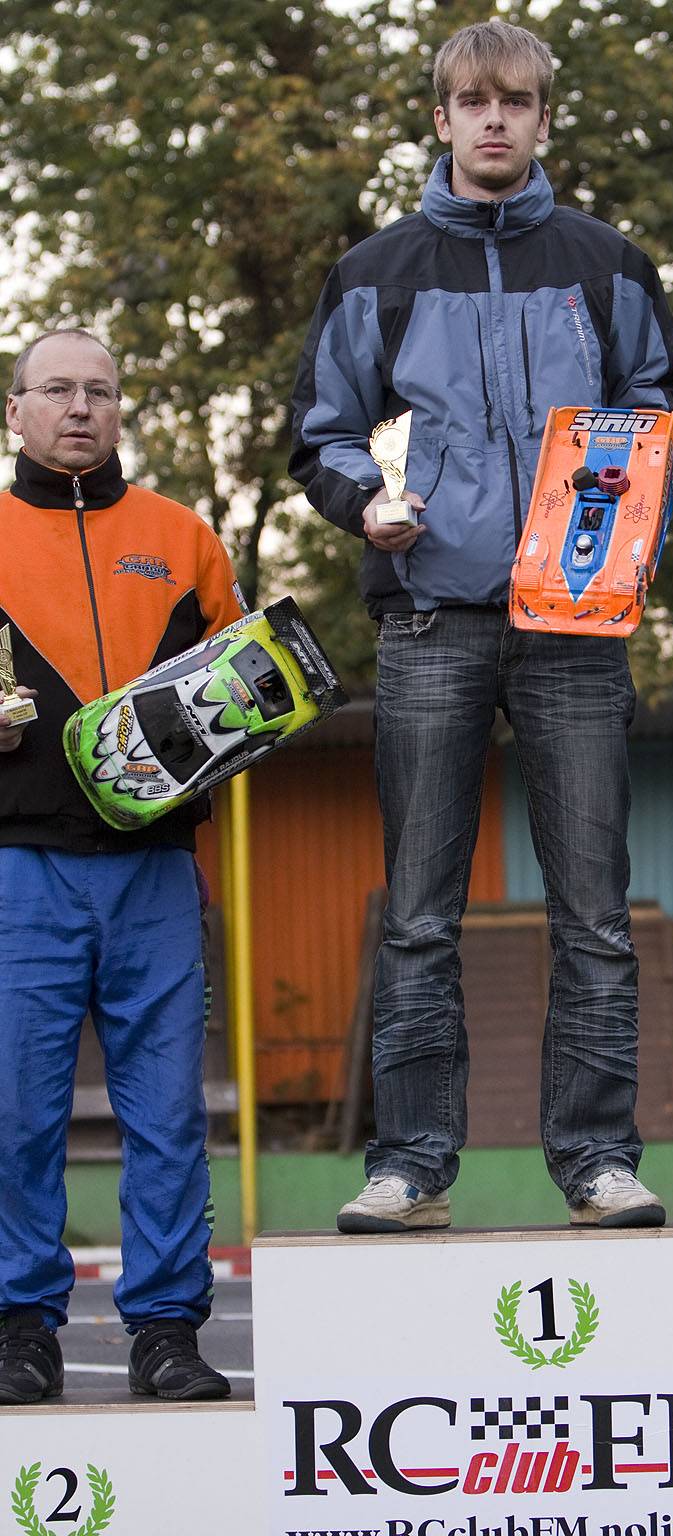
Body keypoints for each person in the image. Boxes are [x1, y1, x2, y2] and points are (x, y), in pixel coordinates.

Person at [291, 19, 673, 1233]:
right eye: (474, 102)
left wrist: (631, 524)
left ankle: (598, 1161)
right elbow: (322, 432)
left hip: (575, 618)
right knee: (419, 911)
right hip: (429, 616)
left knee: (594, 912)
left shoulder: (607, 262)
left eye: (516, 101)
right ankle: (410, 1166)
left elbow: (657, 410)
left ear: (543, 118)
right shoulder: (375, 271)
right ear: (442, 119)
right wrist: (368, 507)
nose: (495, 120)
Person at [0, 329, 244, 1404]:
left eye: (99, 391)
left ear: (118, 410)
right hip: (19, 868)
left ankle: (166, 1331)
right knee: (16, 1111)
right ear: (15, 411)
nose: (80, 409)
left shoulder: (182, 536)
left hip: (155, 871)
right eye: (56, 390)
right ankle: (19, 1329)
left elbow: (252, 685)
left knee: (167, 1115)